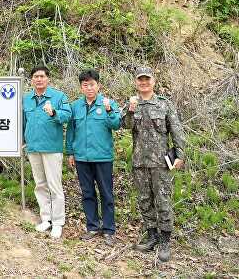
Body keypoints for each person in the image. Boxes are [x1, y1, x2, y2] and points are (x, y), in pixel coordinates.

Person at [121, 66, 185, 262]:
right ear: (136, 82)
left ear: (153, 81)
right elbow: (125, 125)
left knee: (163, 200)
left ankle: (165, 241)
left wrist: (180, 155)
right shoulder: (132, 104)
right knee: (144, 200)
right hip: (140, 162)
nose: (144, 83)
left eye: (147, 79)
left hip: (160, 163)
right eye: (140, 80)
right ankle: (152, 236)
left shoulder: (164, 104)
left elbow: (176, 130)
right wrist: (131, 110)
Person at [66, 69, 121, 246]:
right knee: (87, 193)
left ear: (98, 85)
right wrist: (71, 152)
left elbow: (116, 125)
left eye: (92, 84)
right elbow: (71, 131)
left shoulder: (108, 103)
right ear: (81, 87)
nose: (89, 88)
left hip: (103, 157)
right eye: (85, 85)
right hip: (82, 157)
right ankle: (92, 227)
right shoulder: (75, 107)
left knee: (106, 194)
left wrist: (109, 110)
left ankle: (109, 230)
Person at [22, 65, 72, 239]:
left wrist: (54, 112)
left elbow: (67, 116)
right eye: (35, 76)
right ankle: (46, 219)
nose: (39, 79)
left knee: (54, 185)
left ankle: (58, 222)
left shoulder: (58, 97)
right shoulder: (26, 99)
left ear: (48, 78)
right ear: (32, 80)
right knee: (40, 184)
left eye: (42, 76)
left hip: (52, 148)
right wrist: (23, 141)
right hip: (33, 147)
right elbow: (23, 122)